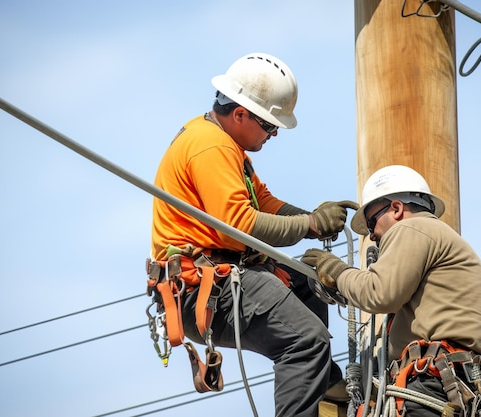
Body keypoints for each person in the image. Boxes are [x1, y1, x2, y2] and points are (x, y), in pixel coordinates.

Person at [150, 52, 358, 417]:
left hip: (222, 275)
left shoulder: (226, 146)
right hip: (202, 285)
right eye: (269, 125)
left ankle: (325, 389)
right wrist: (309, 226)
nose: (274, 134)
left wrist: (314, 217)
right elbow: (242, 226)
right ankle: (313, 385)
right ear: (241, 113)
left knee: (307, 280)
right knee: (305, 341)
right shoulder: (210, 147)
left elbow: (264, 203)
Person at [301, 165, 481, 417]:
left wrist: (338, 272)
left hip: (434, 381)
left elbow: (380, 293)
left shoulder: (412, 228)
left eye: (371, 222)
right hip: (459, 385)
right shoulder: (439, 238)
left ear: (397, 209)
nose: (371, 236)